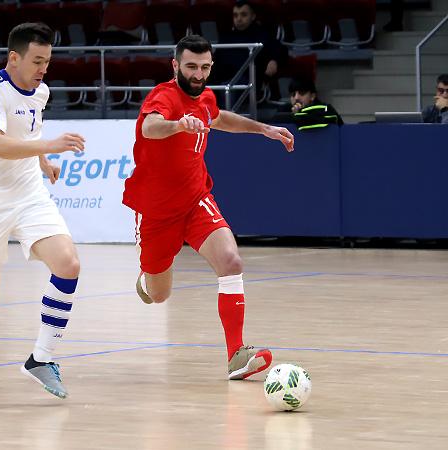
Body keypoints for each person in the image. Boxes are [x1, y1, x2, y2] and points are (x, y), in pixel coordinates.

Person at [122, 35, 294, 381]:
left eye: (204, 67)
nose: (198, 74)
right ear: (176, 65)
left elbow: (219, 118)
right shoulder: (163, 96)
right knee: (159, 294)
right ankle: (148, 280)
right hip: (156, 211)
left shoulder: (206, 97)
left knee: (231, 261)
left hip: (196, 199)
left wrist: (264, 129)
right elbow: (149, 126)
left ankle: (236, 355)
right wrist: (177, 125)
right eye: (191, 67)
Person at [0, 23, 86, 398]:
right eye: (37, 61)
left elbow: (26, 135)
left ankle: (41, 358)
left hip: (28, 195)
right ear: (14, 58)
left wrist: (43, 161)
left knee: (68, 264)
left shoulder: (41, 91)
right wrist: (50, 146)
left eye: (47, 61)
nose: (43, 69)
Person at [216, 0, 288, 102]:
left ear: (253, 16)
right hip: (225, 79)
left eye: (243, 15)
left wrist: (274, 60)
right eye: (235, 15)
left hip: (250, 82)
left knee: (229, 88)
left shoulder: (262, 35)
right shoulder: (226, 37)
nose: (239, 19)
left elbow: (280, 49)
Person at [271, 77, 343, 130]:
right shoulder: (283, 110)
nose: (296, 98)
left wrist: (298, 114)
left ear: (312, 96)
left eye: (302, 93)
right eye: (293, 94)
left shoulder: (325, 109)